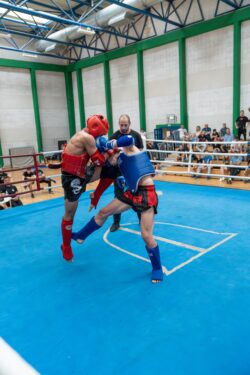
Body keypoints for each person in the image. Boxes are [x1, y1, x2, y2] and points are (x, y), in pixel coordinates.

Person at [72, 142, 164, 284]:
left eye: (109, 158)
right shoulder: (118, 164)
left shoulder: (128, 151)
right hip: (131, 193)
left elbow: (128, 139)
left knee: (146, 235)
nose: (110, 162)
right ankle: (81, 236)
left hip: (146, 194)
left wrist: (110, 143)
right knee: (103, 212)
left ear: (113, 151)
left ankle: (157, 268)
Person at [60, 114, 134, 261]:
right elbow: (99, 161)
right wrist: (110, 152)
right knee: (70, 214)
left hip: (82, 173)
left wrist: (110, 152)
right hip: (72, 178)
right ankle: (66, 246)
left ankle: (96, 195)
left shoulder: (89, 134)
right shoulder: (86, 138)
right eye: (100, 134)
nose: (101, 137)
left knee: (111, 170)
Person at [108, 114, 144, 232]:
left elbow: (141, 152)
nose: (123, 127)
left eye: (125, 125)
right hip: (118, 171)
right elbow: (109, 153)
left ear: (130, 124)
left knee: (137, 195)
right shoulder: (114, 136)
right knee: (117, 196)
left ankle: (141, 219)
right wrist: (112, 158)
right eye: (121, 125)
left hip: (133, 171)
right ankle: (116, 222)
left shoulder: (136, 135)